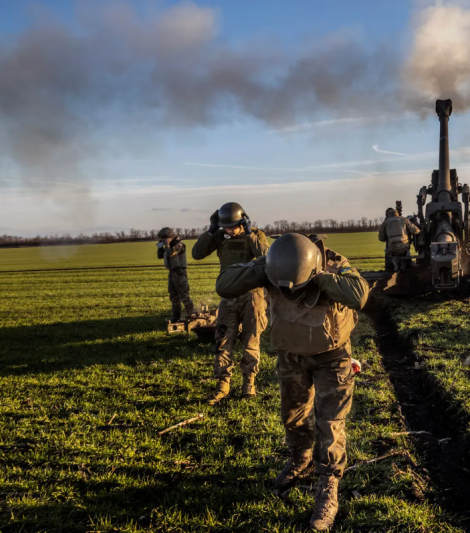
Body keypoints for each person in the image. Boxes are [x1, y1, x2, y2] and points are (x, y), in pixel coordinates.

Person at [216, 233, 368, 531]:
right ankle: (301, 458)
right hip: (291, 356)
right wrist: (261, 269)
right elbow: (225, 284)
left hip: (332, 357)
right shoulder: (272, 265)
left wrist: (322, 278)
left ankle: (328, 486)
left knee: (330, 424)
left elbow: (359, 295)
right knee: (293, 417)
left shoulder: (334, 265)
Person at [191, 202, 269, 403]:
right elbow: (197, 254)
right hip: (229, 295)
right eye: (224, 226)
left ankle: (248, 383)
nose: (228, 230)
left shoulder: (256, 235)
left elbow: (266, 257)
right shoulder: (219, 236)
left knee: (251, 341)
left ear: (243, 221)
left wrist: (250, 234)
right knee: (223, 340)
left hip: (253, 296)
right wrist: (210, 232)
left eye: (232, 226)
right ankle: (222, 384)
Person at [156, 227, 196, 322]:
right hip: (172, 272)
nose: (161, 240)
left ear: (168, 237)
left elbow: (171, 254)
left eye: (163, 238)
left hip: (180, 272)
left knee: (184, 295)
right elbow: (159, 256)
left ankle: (192, 316)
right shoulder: (169, 245)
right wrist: (160, 247)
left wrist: (168, 244)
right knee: (173, 296)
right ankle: (175, 317)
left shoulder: (179, 245)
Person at [378, 207, 420, 272]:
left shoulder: (385, 223)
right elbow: (414, 230)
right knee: (405, 252)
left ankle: (396, 269)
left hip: (392, 248)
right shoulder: (404, 219)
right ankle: (403, 268)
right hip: (404, 246)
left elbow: (381, 238)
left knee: (393, 254)